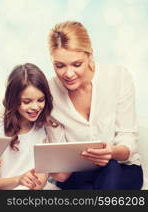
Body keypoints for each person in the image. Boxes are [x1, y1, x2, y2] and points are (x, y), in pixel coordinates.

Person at [47, 20, 143, 189]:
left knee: (110, 167)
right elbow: (60, 159)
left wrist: (111, 152)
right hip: (79, 174)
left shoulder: (118, 77)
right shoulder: (49, 92)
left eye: (77, 64)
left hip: (122, 168)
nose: (68, 74)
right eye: (59, 66)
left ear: (90, 55)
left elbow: (128, 139)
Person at [0, 63, 65, 190]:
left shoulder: (45, 128)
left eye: (41, 100)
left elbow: (42, 177)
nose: (35, 107)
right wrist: (18, 180)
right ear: (13, 100)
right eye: (27, 102)